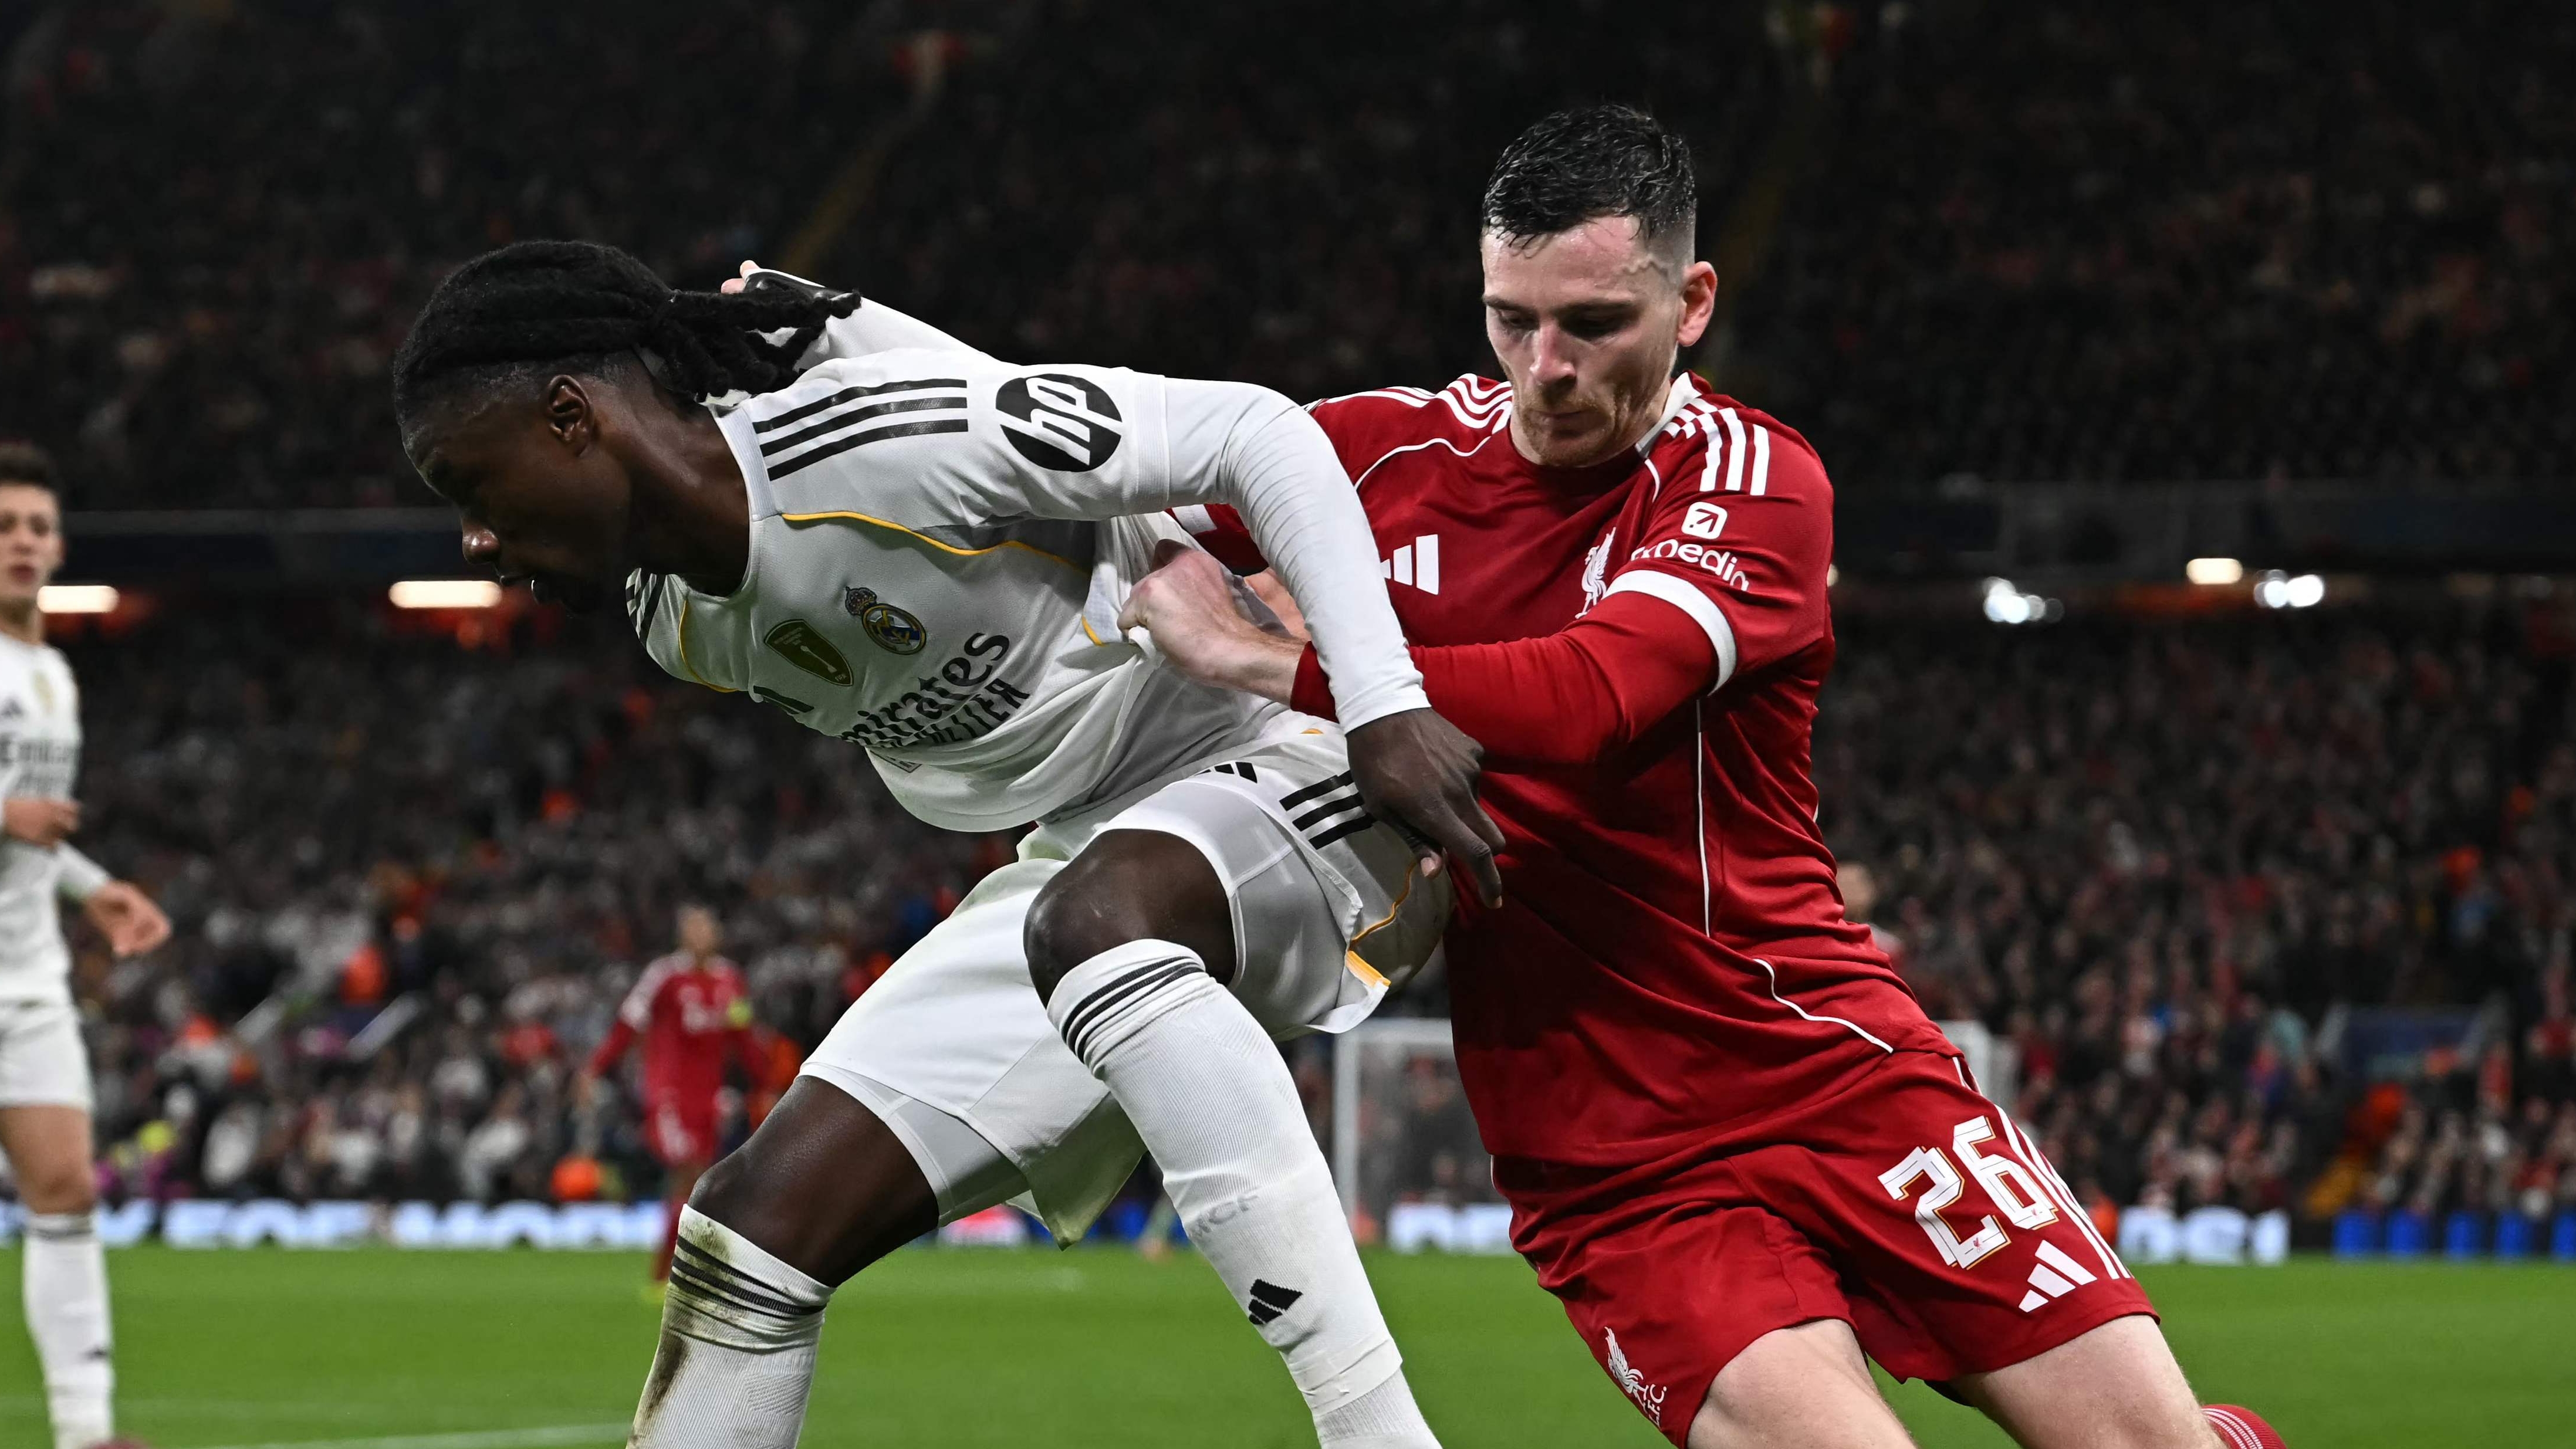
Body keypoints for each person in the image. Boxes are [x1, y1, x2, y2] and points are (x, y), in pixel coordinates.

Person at [1118, 107, 2290, 1449]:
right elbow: (1105, 497)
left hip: (1832, 1067)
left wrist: (1267, 657)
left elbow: (1590, 694)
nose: (1544, 370)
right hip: (1611, 1154)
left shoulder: (1752, 479)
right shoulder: (1379, 456)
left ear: (1692, 304)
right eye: (1510, 320)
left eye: (1592, 324)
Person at [390, 240, 1502, 1448]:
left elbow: (1255, 431)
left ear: (570, 417)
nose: (474, 541)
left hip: (1293, 756)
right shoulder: (675, 622)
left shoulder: (870, 438)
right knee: (752, 1229)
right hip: (1089, 851)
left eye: (470, 484)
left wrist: (1379, 702)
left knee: (1098, 920)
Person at [0, 442, 173, 1449]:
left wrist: (95, 886)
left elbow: (38, 830)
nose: (22, 542)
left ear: (59, 545)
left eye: (36, 526)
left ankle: (85, 1433)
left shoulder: (54, 675)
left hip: (27, 976)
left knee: (65, 1189)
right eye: (3, 527)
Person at [578, 903, 758, 1291]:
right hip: (670, 1096)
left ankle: (677, 1275)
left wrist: (767, 1082)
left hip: (709, 1099)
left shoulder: (731, 980)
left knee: (699, 1184)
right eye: (695, 927)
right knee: (688, 1175)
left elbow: (742, 1034)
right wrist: (595, 1068)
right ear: (682, 935)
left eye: (708, 927)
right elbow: (628, 1023)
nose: (703, 934)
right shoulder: (664, 976)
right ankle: (668, 1276)